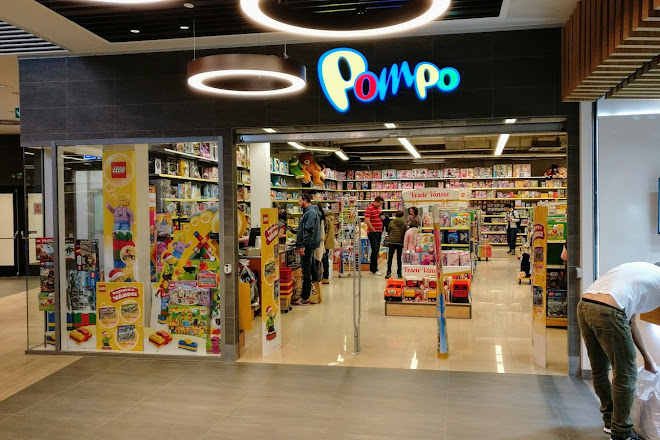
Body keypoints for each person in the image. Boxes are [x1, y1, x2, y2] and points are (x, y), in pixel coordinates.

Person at [578, 262, 660, 440]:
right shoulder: (655, 279)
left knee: (599, 369)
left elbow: (631, 324)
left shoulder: (641, 274)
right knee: (626, 374)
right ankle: (621, 432)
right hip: (608, 310)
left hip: (585, 305)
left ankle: (610, 422)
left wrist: (647, 358)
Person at [294, 193, 322, 305]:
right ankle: (316, 293)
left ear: (305, 200)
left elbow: (309, 230)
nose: (299, 203)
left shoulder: (310, 212)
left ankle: (305, 297)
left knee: (306, 271)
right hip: (310, 244)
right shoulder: (312, 211)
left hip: (308, 245)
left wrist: (302, 245)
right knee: (312, 268)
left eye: (300, 201)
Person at [364, 196, 384, 275]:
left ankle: (373, 268)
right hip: (373, 232)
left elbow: (378, 217)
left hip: (379, 231)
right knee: (375, 250)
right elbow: (367, 221)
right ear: (376, 201)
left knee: (376, 250)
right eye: (380, 203)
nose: (380, 205)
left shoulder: (379, 209)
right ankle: (375, 269)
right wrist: (373, 230)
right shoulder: (369, 209)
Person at [386, 211, 407, 279]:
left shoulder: (392, 222)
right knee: (399, 258)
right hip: (400, 242)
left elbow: (389, 231)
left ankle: (388, 272)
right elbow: (405, 232)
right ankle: (399, 273)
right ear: (402, 215)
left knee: (390, 258)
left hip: (392, 241)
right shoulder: (404, 223)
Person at [321, 210, 337, 284]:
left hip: (325, 243)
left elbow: (325, 233)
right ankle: (325, 276)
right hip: (329, 242)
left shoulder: (326, 220)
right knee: (325, 259)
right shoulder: (331, 221)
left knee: (323, 259)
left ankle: (325, 276)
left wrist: (322, 241)